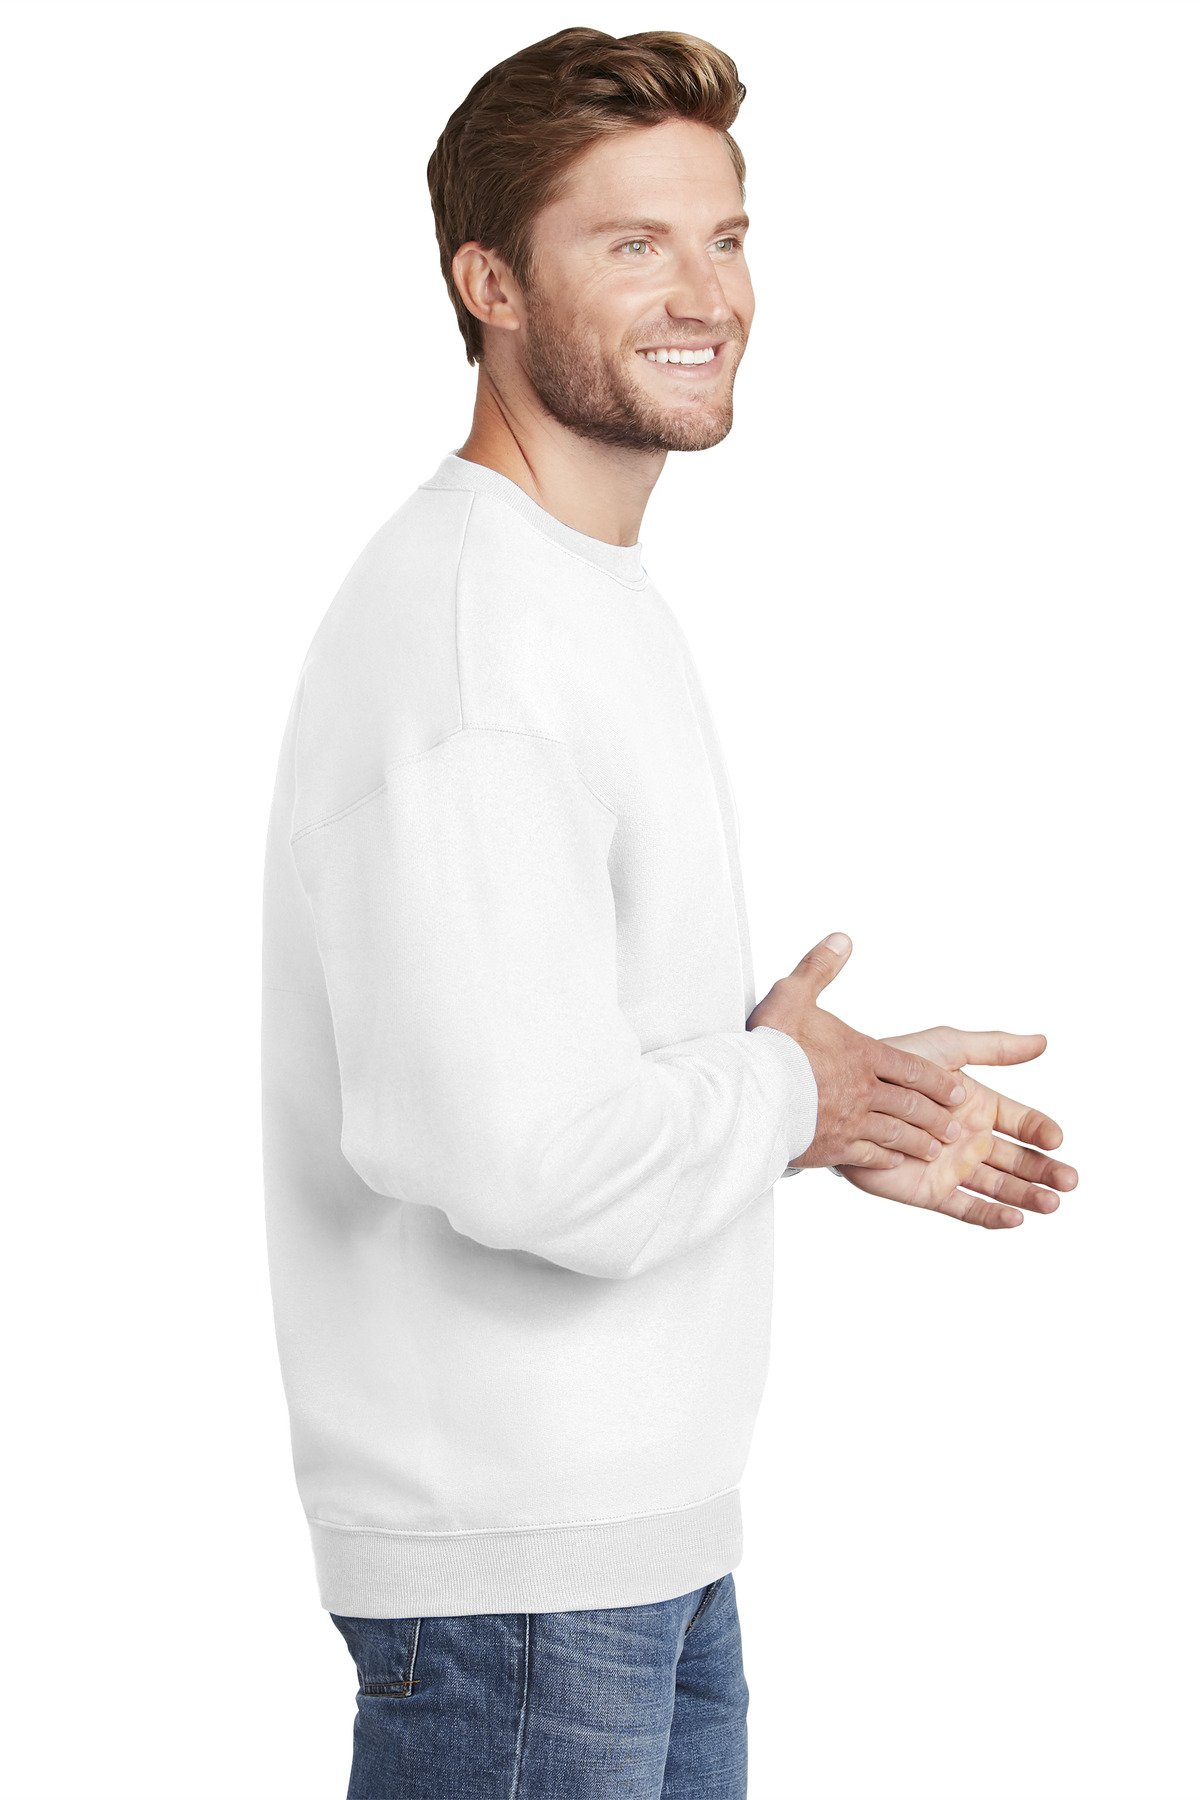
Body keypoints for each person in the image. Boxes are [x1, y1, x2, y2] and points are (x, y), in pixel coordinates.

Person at [259, 27, 1077, 1799]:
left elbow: (574, 1075)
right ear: (487, 284)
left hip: (636, 1548)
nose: (706, 294)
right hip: (521, 1593)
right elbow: (523, 1158)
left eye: (725, 235)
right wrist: (792, 1093)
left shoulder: (576, 592)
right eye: (633, 243)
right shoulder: (473, 640)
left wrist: (825, 1101)